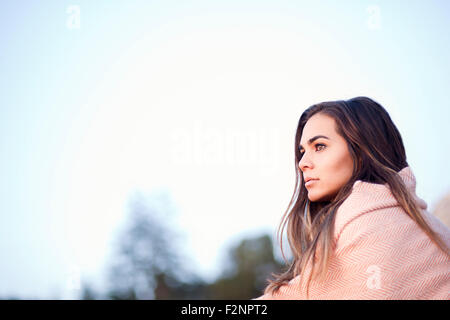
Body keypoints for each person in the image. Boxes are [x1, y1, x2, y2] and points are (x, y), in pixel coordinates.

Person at [254, 97, 450, 299]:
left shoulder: (363, 224)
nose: (302, 163)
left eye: (319, 146)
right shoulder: (434, 227)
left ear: (361, 152)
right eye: (302, 151)